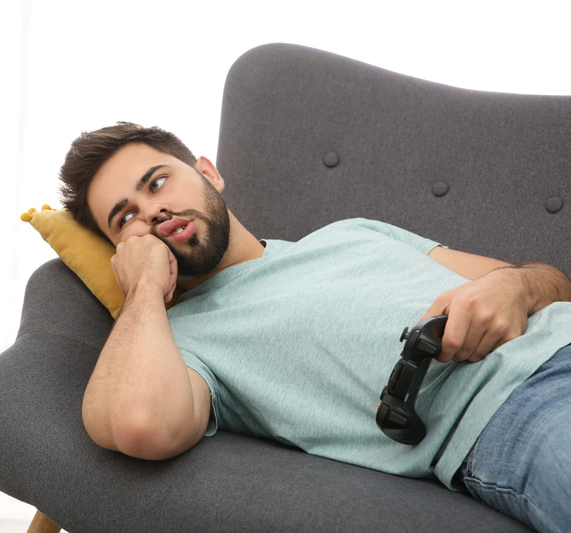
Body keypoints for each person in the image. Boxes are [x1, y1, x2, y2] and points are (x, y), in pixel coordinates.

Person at [59, 122, 571, 532]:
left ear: (208, 173)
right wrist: (144, 286)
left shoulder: (351, 233)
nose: (153, 210)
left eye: (157, 182)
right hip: (511, 410)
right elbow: (140, 422)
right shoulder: (184, 341)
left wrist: (515, 286)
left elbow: (553, 285)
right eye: (125, 218)